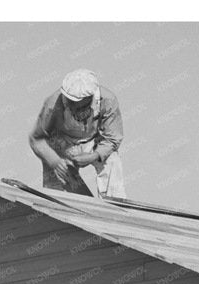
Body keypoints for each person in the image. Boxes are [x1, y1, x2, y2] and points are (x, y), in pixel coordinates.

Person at [29, 69, 126, 200]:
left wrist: (94, 156)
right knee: (53, 163)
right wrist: (55, 162)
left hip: (93, 142)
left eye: (79, 106)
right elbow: (37, 139)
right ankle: (55, 203)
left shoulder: (108, 100)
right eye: (71, 104)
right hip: (63, 145)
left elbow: (112, 139)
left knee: (112, 159)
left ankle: (114, 204)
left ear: (90, 98)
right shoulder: (52, 104)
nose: (74, 109)